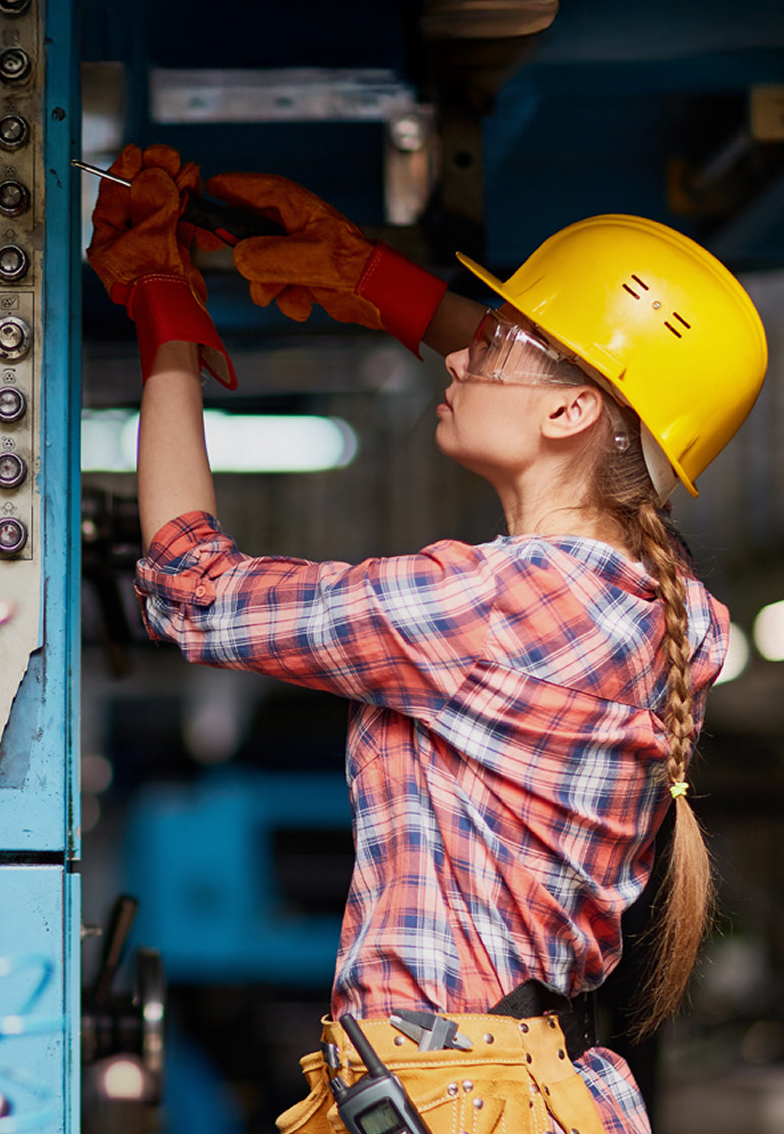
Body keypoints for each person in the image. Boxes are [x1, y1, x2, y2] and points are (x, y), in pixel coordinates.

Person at [86, 144, 769, 1134]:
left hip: (447, 1092)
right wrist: (373, 283)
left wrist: (165, 320)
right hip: (506, 1081)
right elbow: (577, 399)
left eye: (491, 347)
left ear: (576, 409)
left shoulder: (492, 606)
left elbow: (195, 591)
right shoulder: (662, 608)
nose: (459, 356)